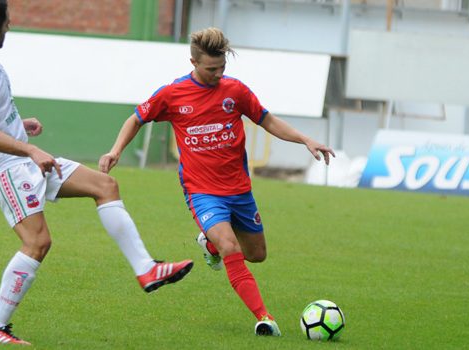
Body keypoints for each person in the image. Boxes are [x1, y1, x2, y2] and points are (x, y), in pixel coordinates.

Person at [0, 0, 193, 345]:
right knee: (37, 242)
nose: (9, 27)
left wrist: (20, 125)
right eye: (6, 23)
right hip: (2, 167)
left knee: (105, 185)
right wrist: (31, 148)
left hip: (21, 158)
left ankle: (146, 270)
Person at [99, 27, 335, 337]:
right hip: (202, 192)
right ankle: (264, 317)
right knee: (229, 245)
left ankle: (208, 243)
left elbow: (268, 120)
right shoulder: (172, 94)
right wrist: (116, 151)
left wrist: (305, 139)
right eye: (211, 69)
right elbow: (136, 118)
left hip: (239, 190)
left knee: (256, 254)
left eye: (222, 68)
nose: (217, 74)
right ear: (193, 62)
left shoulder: (235, 91)